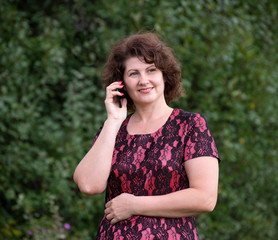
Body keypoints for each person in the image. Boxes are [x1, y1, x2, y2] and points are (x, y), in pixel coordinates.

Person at [73, 32, 220, 240]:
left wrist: (133, 205)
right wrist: (113, 121)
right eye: (133, 73)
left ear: (164, 75)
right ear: (121, 82)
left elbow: (205, 198)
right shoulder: (113, 129)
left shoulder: (190, 125)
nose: (144, 80)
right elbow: (89, 185)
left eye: (151, 70)